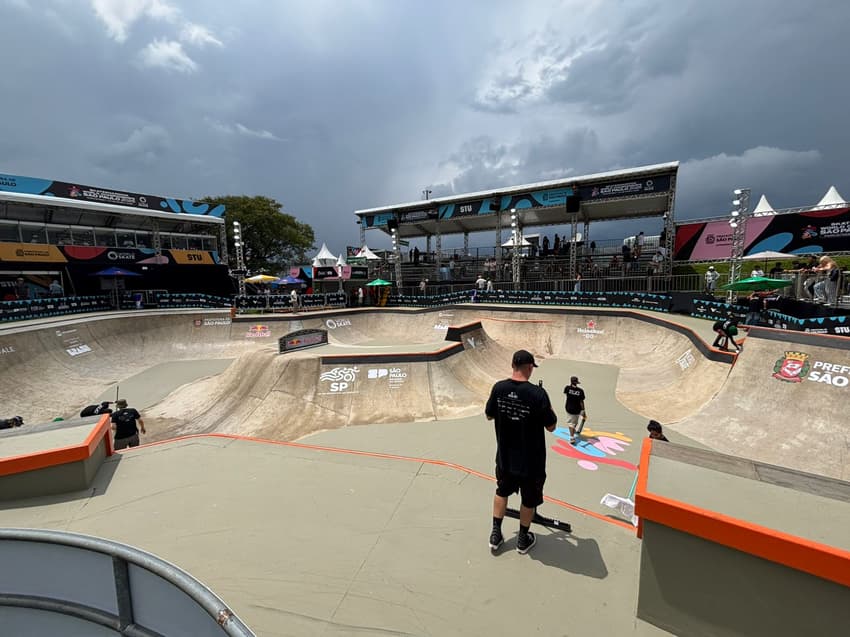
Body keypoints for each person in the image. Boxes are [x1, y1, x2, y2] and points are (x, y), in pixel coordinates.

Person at [485, 350, 557, 555]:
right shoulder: (537, 394)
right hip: (531, 462)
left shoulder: (499, 388)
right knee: (528, 500)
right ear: (528, 367)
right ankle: (523, 539)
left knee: (502, 490)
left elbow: (489, 415)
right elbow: (551, 426)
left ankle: (495, 534)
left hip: (505, 458)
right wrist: (547, 404)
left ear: (512, 365)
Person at [563, 375, 586, 444]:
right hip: (577, 409)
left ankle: (572, 434)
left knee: (571, 423)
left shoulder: (567, 388)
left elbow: (566, 393)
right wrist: (583, 410)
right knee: (573, 423)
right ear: (576, 382)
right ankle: (572, 437)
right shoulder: (580, 391)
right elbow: (581, 401)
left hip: (568, 408)